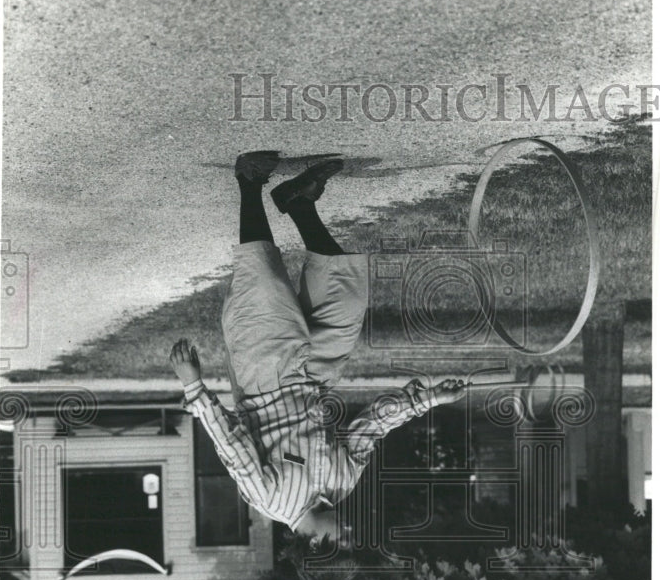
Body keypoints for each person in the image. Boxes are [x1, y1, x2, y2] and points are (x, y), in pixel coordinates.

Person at [170, 151, 466, 548]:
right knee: (346, 291)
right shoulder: (342, 487)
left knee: (264, 280)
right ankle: (297, 202)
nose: (349, 531)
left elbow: (231, 446)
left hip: (265, 380)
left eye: (342, 540)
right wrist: (429, 400)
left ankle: (250, 181)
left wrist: (194, 388)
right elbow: (371, 427)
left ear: (314, 545)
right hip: (317, 378)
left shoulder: (269, 500)